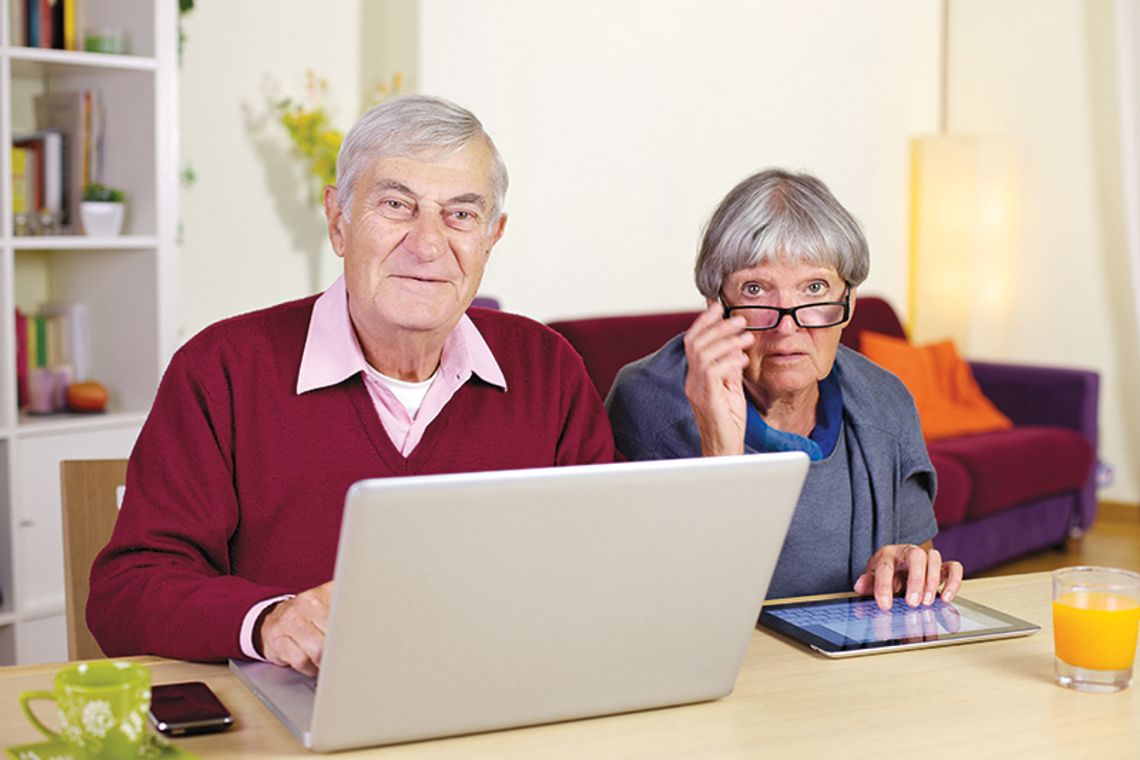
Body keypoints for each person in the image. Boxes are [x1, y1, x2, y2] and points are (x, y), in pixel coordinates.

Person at [88, 95, 615, 675]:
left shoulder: (548, 366)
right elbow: (127, 592)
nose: (429, 243)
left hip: (507, 696)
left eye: (461, 215)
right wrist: (268, 620)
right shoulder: (223, 369)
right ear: (338, 221)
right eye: (396, 205)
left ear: (493, 236)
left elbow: (606, 564)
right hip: (295, 713)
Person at [606, 168, 963, 610]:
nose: (788, 326)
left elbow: (914, 574)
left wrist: (908, 569)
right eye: (756, 290)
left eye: (815, 288)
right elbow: (645, 607)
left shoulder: (885, 402)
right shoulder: (648, 406)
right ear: (714, 305)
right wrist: (721, 455)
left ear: (849, 302)